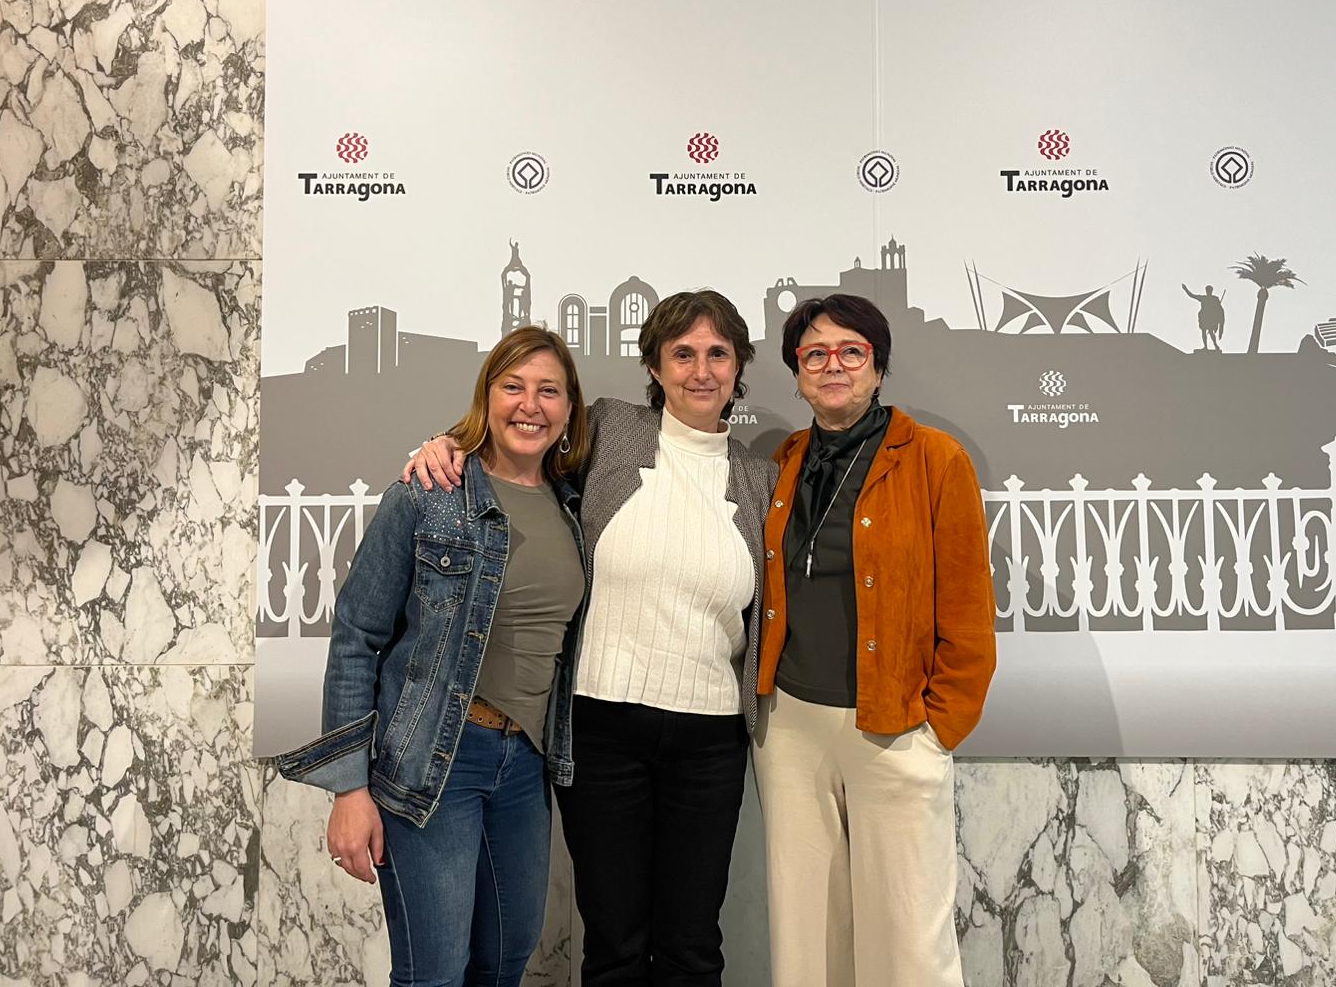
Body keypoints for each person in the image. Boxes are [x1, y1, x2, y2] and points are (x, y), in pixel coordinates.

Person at [405, 290, 776, 987]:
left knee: (693, 946)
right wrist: (448, 443)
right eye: (682, 354)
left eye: (717, 354)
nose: (701, 370)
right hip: (601, 732)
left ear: (738, 366)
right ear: (656, 367)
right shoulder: (610, 429)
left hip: (710, 741)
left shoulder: (761, 479)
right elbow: (518, 445)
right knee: (613, 943)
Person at [277, 325, 592, 987]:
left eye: (549, 391)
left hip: (525, 766)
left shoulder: (574, 507)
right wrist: (349, 789)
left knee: (505, 963)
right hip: (436, 764)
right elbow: (357, 635)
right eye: (513, 386)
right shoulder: (429, 493)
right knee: (435, 974)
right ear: (487, 397)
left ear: (569, 411)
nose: (530, 405)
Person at [753, 293, 996, 987]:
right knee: (806, 936)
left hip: (895, 726)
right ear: (797, 372)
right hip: (788, 728)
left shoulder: (936, 460)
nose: (834, 365)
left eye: (851, 351)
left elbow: (969, 610)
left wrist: (937, 728)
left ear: (878, 367)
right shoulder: (786, 460)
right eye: (815, 354)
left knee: (908, 941)